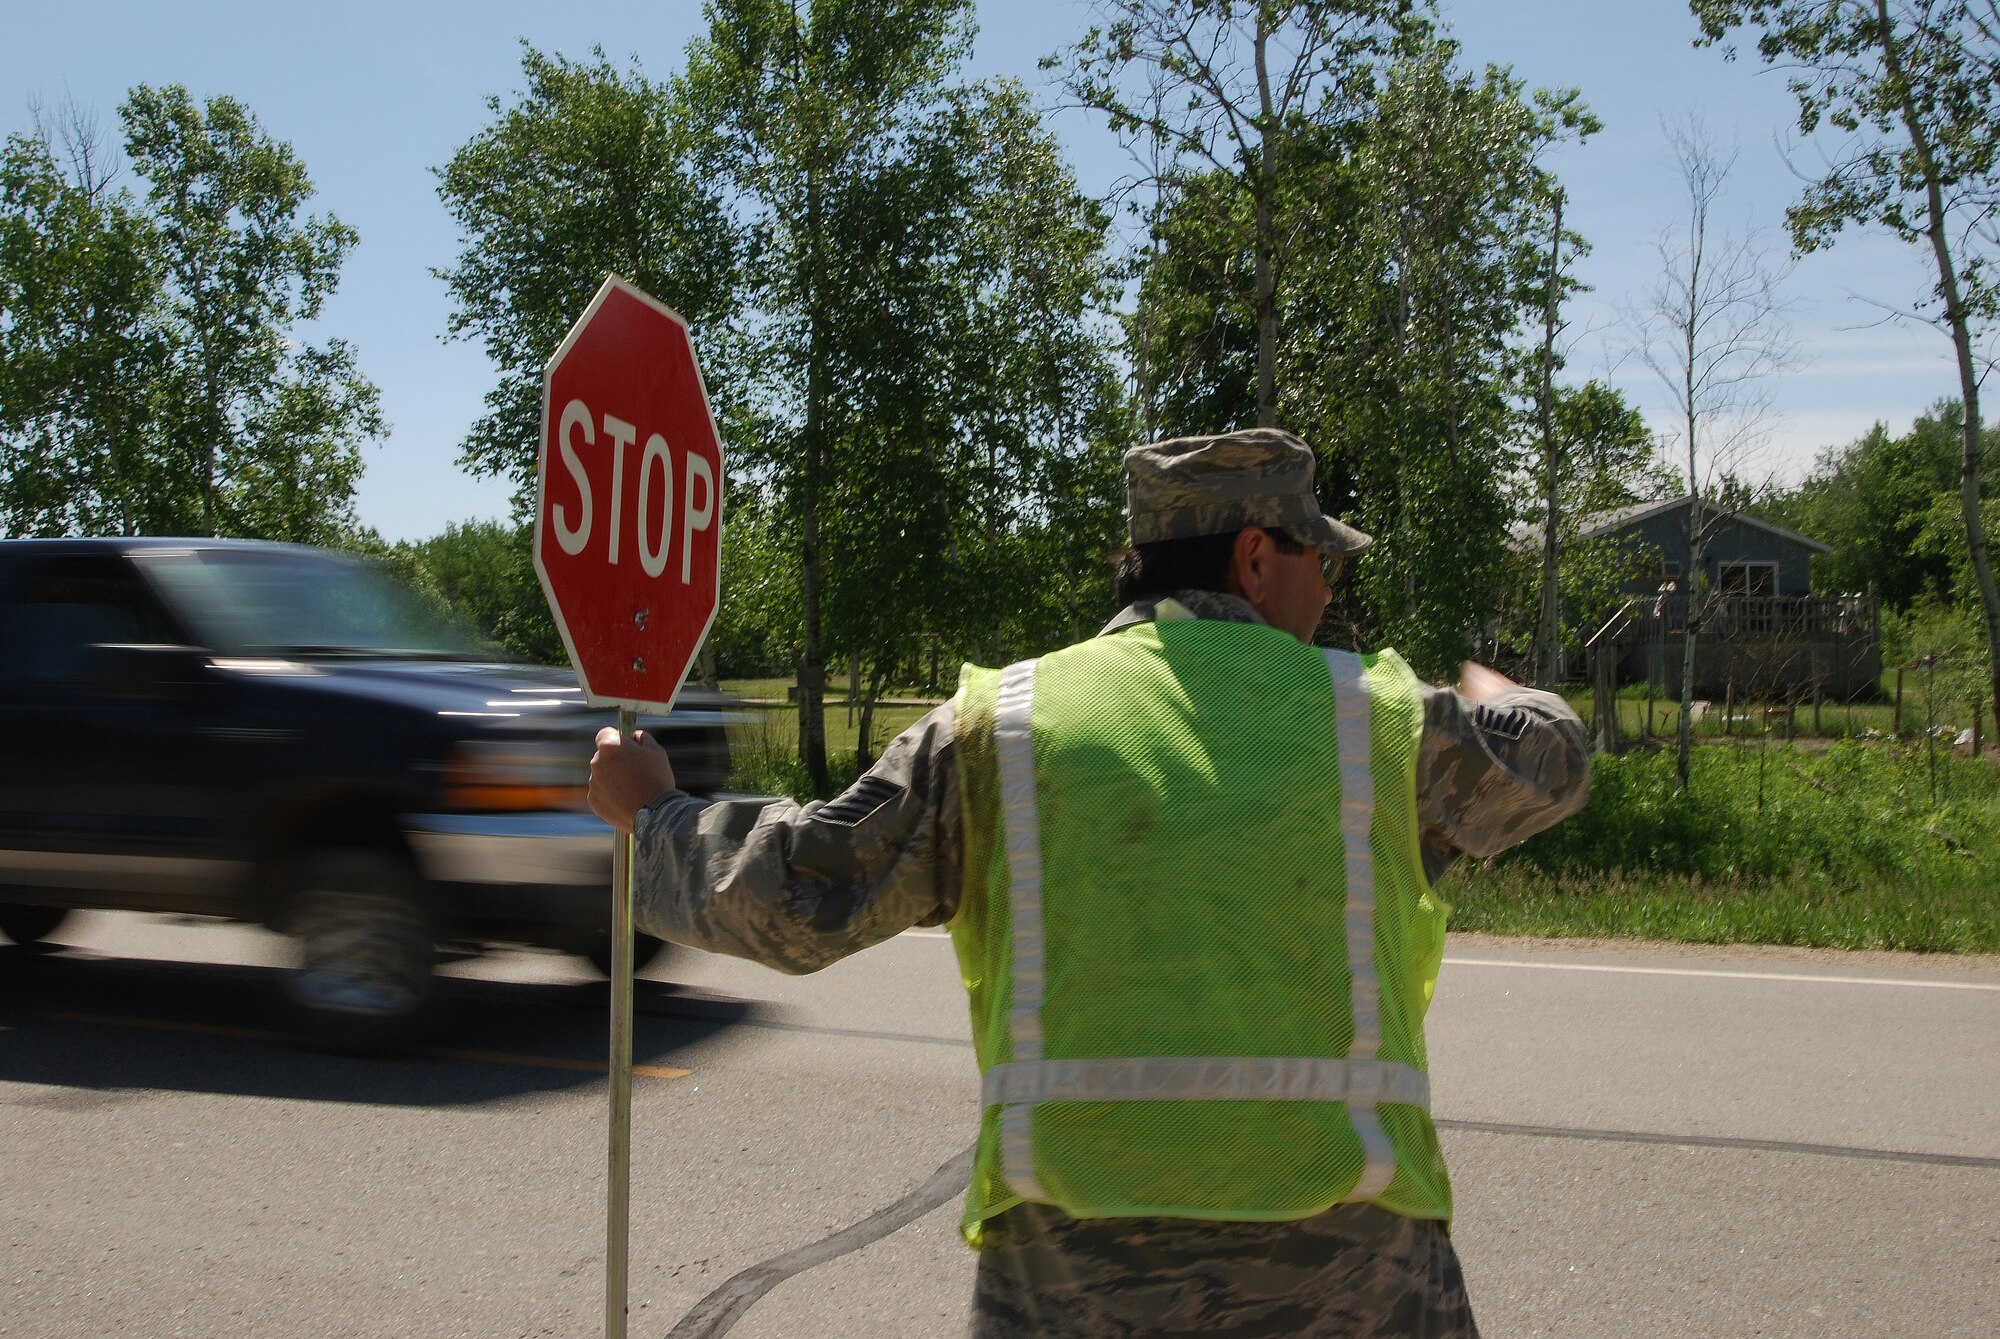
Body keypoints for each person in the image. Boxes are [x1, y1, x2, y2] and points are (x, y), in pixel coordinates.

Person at [589, 427, 1591, 1338]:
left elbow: (796, 898)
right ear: (1252, 557)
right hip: (1350, 1272)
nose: (1328, 588)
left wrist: (659, 816)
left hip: (1071, 1282)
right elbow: (1551, 760)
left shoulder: (1005, 726)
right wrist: (1492, 694)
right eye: (1315, 557)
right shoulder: (1373, 717)